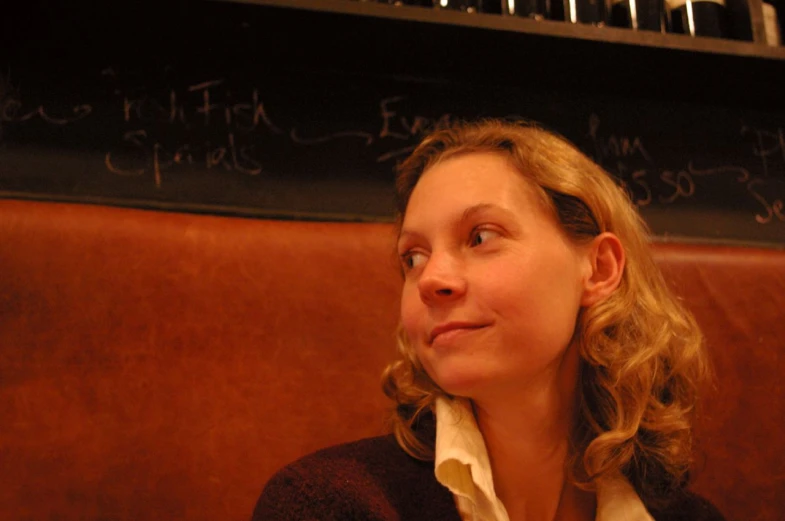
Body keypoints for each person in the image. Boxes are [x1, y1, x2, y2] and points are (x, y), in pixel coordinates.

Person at [251, 118, 726, 521]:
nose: (431, 279)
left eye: (480, 237)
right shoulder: (328, 505)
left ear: (598, 269)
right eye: (412, 257)